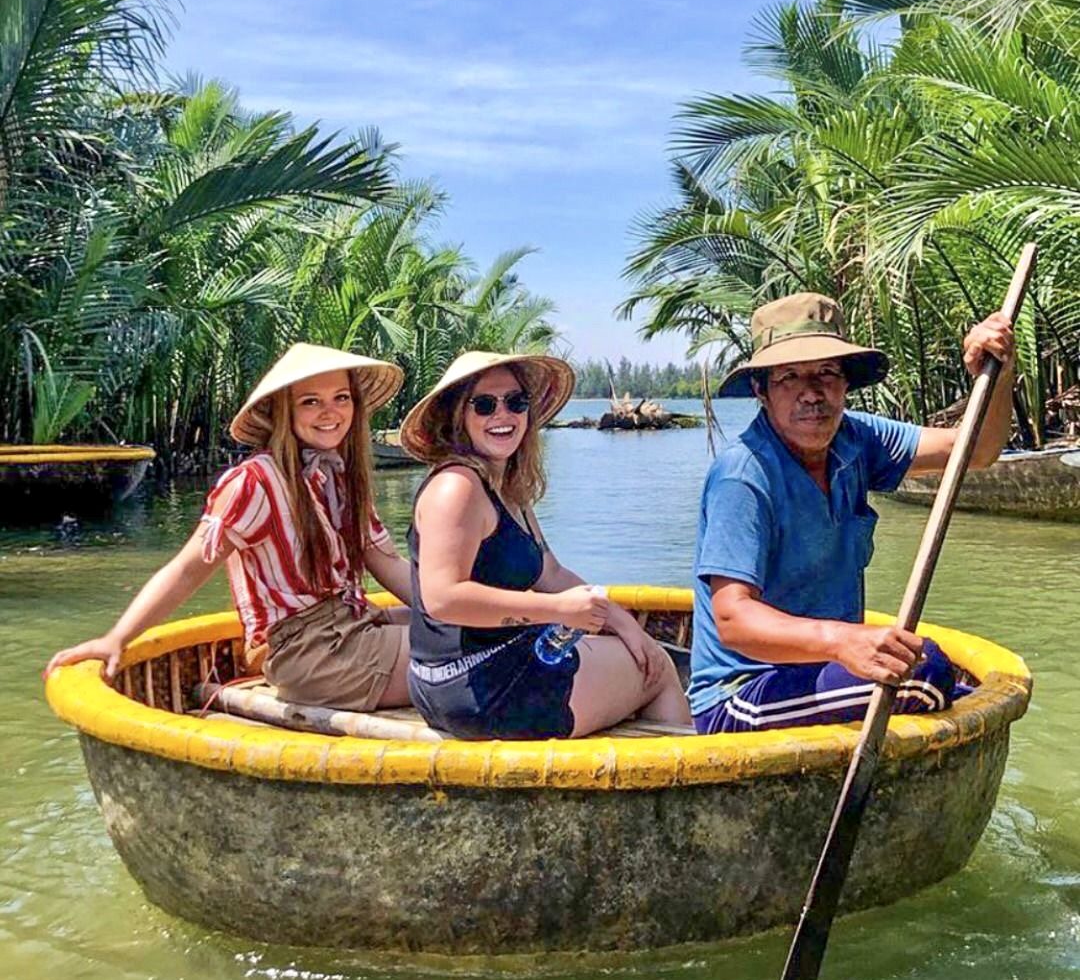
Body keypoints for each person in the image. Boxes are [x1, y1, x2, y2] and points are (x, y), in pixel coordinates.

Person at [690, 293, 1016, 734]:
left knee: (953, 689)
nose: (811, 393)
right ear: (760, 390)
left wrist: (998, 372)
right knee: (928, 673)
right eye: (789, 377)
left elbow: (976, 450)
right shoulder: (744, 475)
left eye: (826, 372)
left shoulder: (855, 438)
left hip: (822, 674)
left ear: (846, 383)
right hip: (742, 694)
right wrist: (842, 640)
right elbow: (733, 620)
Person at [45, 344, 415, 711]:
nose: (330, 412)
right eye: (310, 402)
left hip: (351, 621)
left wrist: (449, 606)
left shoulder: (337, 477)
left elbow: (386, 561)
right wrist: (117, 638)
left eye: (341, 397)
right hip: (311, 652)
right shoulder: (253, 483)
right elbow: (187, 570)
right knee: (463, 648)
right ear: (283, 412)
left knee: (459, 629)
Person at [401, 350, 690, 739]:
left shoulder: (506, 488)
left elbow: (550, 572)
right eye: (485, 405)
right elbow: (443, 598)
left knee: (645, 649)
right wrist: (557, 610)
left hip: (492, 670)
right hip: (475, 686)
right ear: (458, 416)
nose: (502, 415)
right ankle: (674, 791)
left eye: (516, 402)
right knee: (657, 670)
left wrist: (622, 622)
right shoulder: (457, 487)